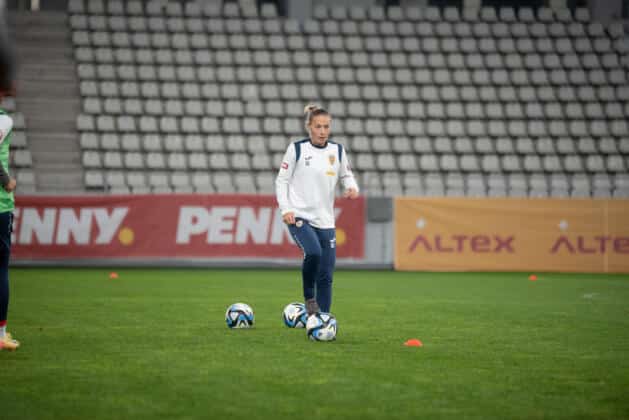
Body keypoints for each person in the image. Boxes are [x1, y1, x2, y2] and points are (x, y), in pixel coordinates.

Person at [275, 104, 359, 316]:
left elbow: (346, 174)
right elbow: (282, 181)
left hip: (325, 220)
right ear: (309, 127)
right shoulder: (296, 149)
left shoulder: (337, 151)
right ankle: (309, 298)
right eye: (318, 126)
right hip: (299, 215)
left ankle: (322, 320)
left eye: (326, 127)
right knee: (313, 252)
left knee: (326, 275)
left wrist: (352, 187)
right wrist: (286, 209)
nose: (322, 131)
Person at [0, 105, 17, 351]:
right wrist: (6, 180)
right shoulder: (3, 119)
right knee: (0, 268)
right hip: (0, 206)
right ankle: (0, 334)